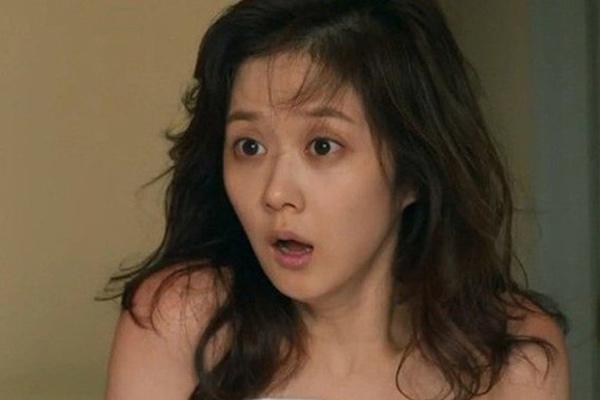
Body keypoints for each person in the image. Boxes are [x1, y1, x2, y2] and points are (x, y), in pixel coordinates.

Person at [99, 0, 571, 399]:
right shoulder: (182, 321)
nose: (275, 193)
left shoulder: (512, 358)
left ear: (413, 172)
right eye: (250, 146)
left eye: (322, 146)